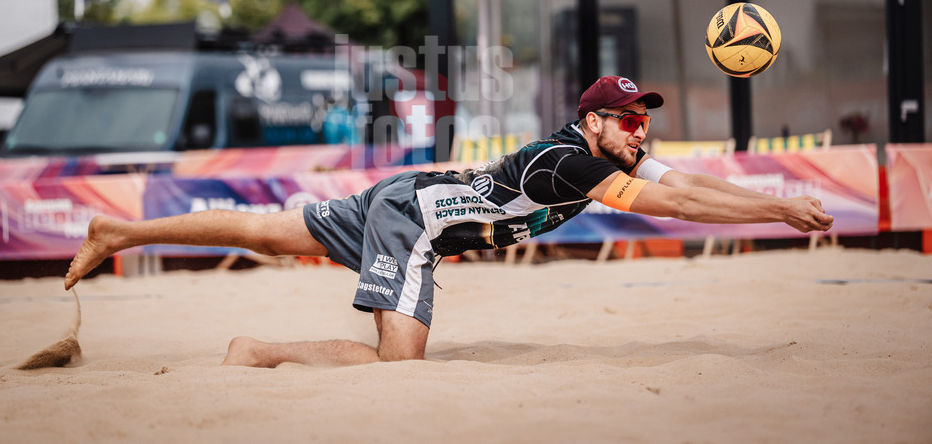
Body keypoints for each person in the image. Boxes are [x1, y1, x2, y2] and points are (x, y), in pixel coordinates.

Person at [64, 75, 832, 367]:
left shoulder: (614, 156)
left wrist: (782, 203)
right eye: (628, 119)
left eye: (643, 120)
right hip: (412, 223)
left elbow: (692, 180)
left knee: (264, 230)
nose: (641, 130)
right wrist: (778, 208)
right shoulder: (568, 162)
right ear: (592, 121)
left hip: (409, 193)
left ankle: (118, 233)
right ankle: (257, 350)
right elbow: (684, 206)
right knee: (401, 368)